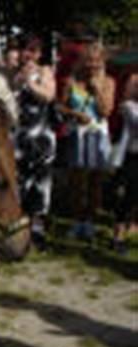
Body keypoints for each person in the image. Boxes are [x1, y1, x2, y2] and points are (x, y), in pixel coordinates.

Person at [59, 42, 116, 240]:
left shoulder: (108, 82)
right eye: (89, 60)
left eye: (96, 61)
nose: (92, 65)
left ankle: (90, 222)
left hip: (98, 135)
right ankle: (77, 221)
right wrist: (74, 113)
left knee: (95, 181)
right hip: (77, 135)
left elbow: (106, 111)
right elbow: (61, 107)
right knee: (77, 181)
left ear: (102, 62)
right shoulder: (71, 81)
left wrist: (97, 89)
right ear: (83, 61)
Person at [13, 35, 57, 248]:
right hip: (19, 135)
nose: (29, 54)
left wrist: (30, 83)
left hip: (41, 135)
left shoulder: (45, 71)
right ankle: (20, 231)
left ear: (40, 54)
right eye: (26, 49)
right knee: (20, 180)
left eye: (34, 50)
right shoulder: (13, 74)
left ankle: (38, 229)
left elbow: (48, 96)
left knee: (40, 181)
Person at [110, 74, 138, 254]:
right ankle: (118, 236)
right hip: (131, 156)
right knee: (126, 197)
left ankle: (132, 227)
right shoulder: (128, 106)